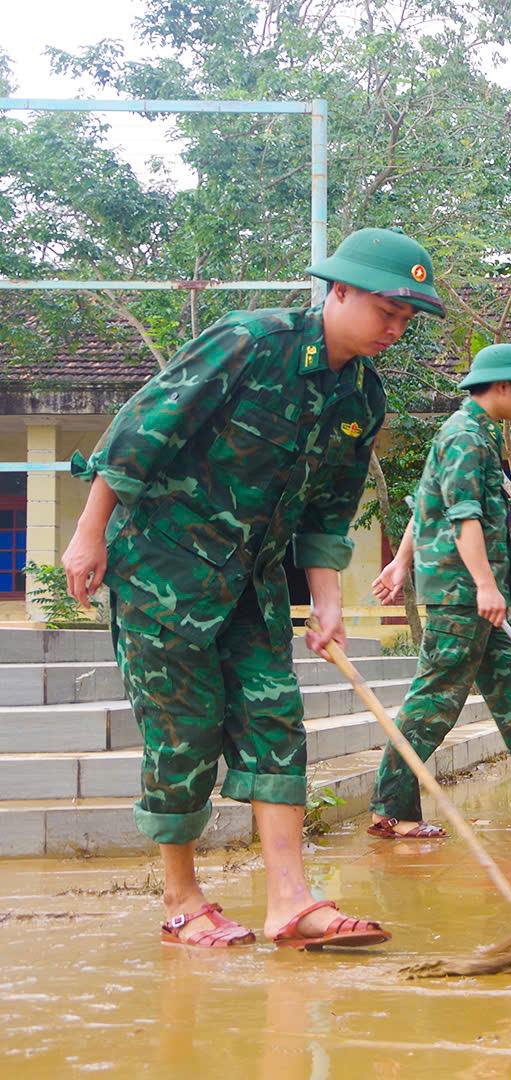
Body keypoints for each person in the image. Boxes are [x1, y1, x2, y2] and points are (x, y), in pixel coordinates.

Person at [60, 226, 440, 949]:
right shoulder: (248, 341)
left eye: (406, 319)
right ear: (341, 290)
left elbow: (330, 508)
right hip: (163, 570)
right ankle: (183, 900)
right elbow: (144, 427)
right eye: (387, 311)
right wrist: (88, 532)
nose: (396, 328)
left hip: (252, 584)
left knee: (276, 724)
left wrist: (327, 601)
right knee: (185, 733)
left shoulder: (362, 395)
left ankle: (289, 903)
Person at [367, 344, 511, 838]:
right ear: (500, 387)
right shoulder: (465, 437)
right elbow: (462, 517)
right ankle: (392, 808)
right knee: (435, 701)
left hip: (476, 595)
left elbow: (426, 504)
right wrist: (483, 585)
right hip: (463, 596)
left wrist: (400, 560)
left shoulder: (472, 435)